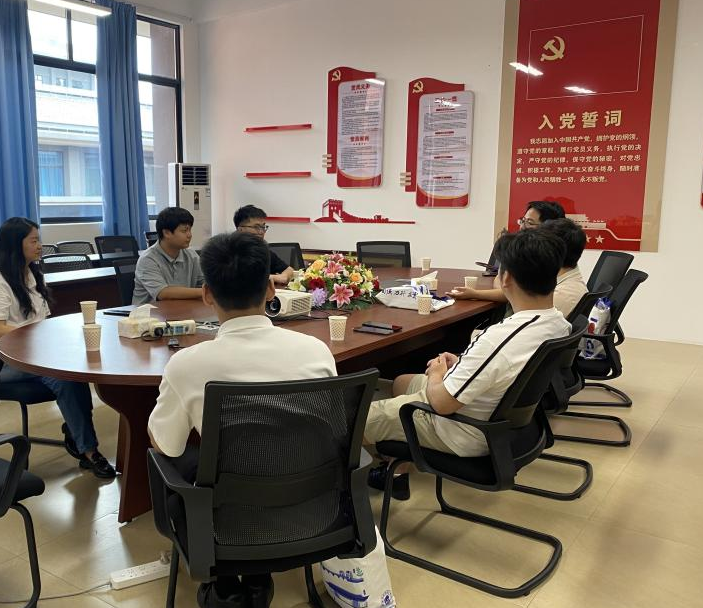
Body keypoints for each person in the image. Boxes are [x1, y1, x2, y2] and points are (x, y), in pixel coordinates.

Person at [148, 232, 337, 608]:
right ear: (270, 288)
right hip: (313, 508)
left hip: (228, 521)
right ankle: (256, 578)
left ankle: (226, 585)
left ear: (207, 294)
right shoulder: (316, 351)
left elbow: (166, 445)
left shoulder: (187, 364)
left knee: (173, 460)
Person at [364, 229, 570, 498]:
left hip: (460, 429)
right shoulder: (556, 322)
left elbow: (442, 403)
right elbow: (502, 368)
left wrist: (437, 373)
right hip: (500, 419)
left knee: (351, 420)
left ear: (506, 277)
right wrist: (463, 363)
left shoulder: (499, 339)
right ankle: (396, 471)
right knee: (402, 382)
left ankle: (345, 496)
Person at [0, 217, 116, 479]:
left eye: (38, 240)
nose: (40, 245)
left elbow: (43, 320)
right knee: (64, 376)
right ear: (15, 245)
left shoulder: (31, 274)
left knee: (72, 372)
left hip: (35, 353)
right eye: (34, 241)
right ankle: (88, 450)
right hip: (2, 361)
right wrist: (41, 336)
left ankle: (80, 437)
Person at [451, 216, 588, 316]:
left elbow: (517, 300)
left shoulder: (561, 297)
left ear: (554, 251)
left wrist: (503, 280)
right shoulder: (561, 277)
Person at [132, 206, 205, 305]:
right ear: (166, 233)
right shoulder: (148, 259)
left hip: (181, 310)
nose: (189, 235)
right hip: (149, 313)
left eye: (190, 230)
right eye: (184, 231)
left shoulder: (191, 255)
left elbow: (204, 282)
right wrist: (205, 292)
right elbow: (163, 293)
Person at [233, 204, 295, 285]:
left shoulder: (262, 249)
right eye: (256, 227)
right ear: (240, 229)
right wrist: (274, 278)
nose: (261, 232)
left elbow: (289, 270)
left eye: (263, 227)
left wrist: (283, 277)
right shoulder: (228, 250)